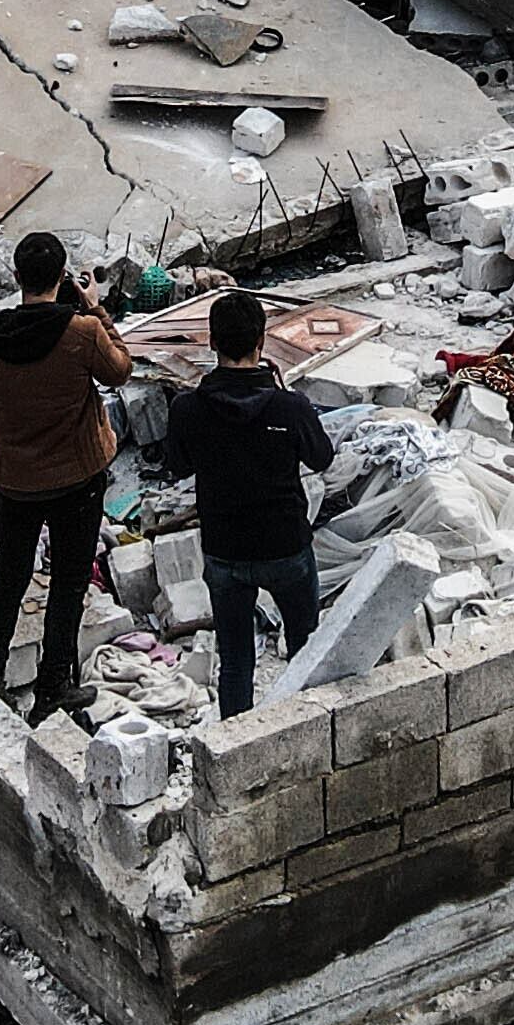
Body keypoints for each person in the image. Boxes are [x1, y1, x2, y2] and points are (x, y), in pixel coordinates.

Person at [0, 230, 135, 718]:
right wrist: (96, 308)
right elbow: (120, 371)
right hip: (76, 478)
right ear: (63, 277)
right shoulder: (82, 332)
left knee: (9, 576)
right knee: (68, 581)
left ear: (16, 277)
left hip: (15, 479)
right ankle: (53, 686)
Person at [166, 289, 336, 717]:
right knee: (304, 646)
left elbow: (177, 467)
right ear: (261, 343)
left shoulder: (188, 409)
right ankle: (305, 725)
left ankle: (235, 743)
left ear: (212, 342)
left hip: (225, 549)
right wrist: (286, 398)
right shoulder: (289, 406)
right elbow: (322, 458)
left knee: (236, 659)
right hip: (285, 546)